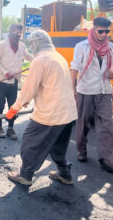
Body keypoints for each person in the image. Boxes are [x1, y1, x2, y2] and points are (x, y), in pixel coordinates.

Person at [5, 30, 77, 186]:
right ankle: (65, 174)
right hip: (68, 113)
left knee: (30, 141)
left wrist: (13, 110)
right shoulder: (59, 57)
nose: (30, 47)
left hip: (51, 113)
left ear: (37, 43)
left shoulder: (40, 61)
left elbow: (28, 90)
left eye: (31, 44)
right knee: (59, 146)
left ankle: (25, 175)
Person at [70, 17, 113, 174]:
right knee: (83, 124)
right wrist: (73, 90)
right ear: (94, 29)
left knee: (107, 125)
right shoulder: (82, 47)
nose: (104, 34)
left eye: (107, 31)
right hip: (85, 90)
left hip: (105, 91)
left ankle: (105, 158)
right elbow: (74, 69)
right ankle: (81, 150)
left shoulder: (112, 48)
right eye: (101, 31)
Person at [0, 24, 33, 139]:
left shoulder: (22, 46)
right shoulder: (1, 45)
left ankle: (10, 127)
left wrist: (37, 59)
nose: (18, 35)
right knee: (0, 105)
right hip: (1, 81)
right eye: (15, 33)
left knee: (13, 106)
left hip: (14, 82)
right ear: (10, 32)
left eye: (20, 33)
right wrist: (5, 72)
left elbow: (27, 56)